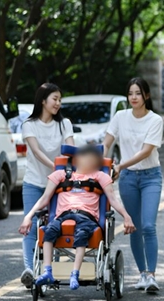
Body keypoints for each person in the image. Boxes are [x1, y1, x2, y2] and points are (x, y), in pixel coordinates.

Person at [18, 146, 135, 289]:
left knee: (82, 234)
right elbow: (44, 199)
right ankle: (47, 272)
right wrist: (28, 217)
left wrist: (126, 217)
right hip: (63, 215)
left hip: (87, 217)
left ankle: (75, 273)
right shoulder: (60, 174)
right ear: (77, 160)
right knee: (49, 231)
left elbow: (113, 200)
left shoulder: (101, 176)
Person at [103, 77, 163, 294]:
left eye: (138, 93)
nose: (134, 97)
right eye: (130, 94)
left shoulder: (155, 120)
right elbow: (107, 142)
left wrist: (119, 166)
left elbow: (146, 151)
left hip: (150, 177)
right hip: (128, 178)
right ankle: (142, 274)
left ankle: (152, 275)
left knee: (148, 225)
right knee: (134, 227)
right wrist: (101, 163)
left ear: (146, 95)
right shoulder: (120, 116)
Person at [20, 83, 75, 289]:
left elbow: (70, 148)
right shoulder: (29, 124)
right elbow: (36, 151)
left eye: (60, 100)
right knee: (32, 225)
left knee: (57, 226)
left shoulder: (64, 124)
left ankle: (51, 270)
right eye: (55, 99)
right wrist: (57, 166)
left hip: (59, 185)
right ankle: (29, 270)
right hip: (34, 182)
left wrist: (68, 165)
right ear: (43, 100)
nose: (58, 103)